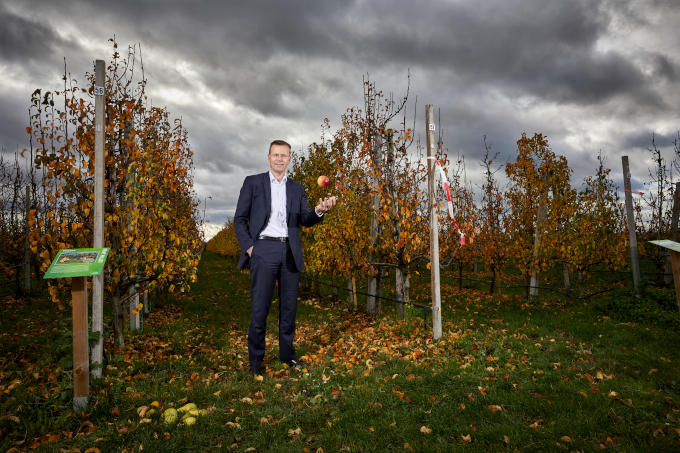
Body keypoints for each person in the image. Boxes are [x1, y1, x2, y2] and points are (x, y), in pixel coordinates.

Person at [234, 139, 336, 376]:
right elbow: (240, 219)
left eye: (284, 155)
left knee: (289, 310)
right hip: (263, 249)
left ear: (290, 159)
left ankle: (287, 355)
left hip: (289, 251)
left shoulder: (296, 188)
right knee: (260, 309)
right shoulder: (252, 183)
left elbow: (305, 219)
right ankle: (255, 362)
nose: (280, 159)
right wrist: (250, 248)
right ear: (268, 157)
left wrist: (319, 211)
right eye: (276, 155)